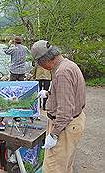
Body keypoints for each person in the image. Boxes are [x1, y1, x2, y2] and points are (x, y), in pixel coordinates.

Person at [31, 40, 86, 173]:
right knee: (65, 166)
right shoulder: (68, 64)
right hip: (74, 122)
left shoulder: (62, 73)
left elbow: (65, 111)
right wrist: (49, 94)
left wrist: (54, 135)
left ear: (44, 61)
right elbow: (69, 95)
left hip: (64, 127)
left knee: (53, 168)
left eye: (39, 64)